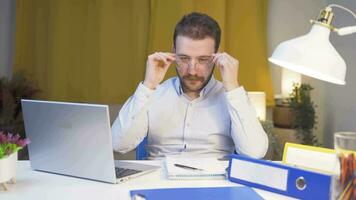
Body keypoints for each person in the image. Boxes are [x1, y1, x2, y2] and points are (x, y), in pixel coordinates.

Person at [112, 12, 268, 159]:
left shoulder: (233, 97)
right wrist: (148, 85)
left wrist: (233, 87)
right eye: (184, 58)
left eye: (203, 60)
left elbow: (254, 153)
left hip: (214, 184)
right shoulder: (154, 92)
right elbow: (118, 145)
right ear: (173, 52)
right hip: (159, 180)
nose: (192, 70)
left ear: (217, 56)